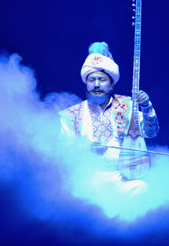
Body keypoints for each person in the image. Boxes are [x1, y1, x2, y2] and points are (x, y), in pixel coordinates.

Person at [59, 42, 159, 197]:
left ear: (111, 84)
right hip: (87, 181)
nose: (97, 85)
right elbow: (64, 151)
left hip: (121, 178)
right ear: (86, 84)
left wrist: (146, 106)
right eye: (92, 80)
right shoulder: (71, 115)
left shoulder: (127, 105)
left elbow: (150, 132)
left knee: (141, 188)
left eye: (102, 80)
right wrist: (86, 149)